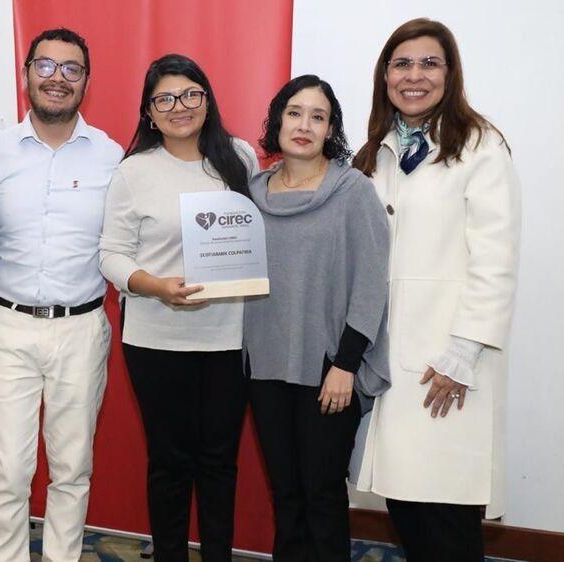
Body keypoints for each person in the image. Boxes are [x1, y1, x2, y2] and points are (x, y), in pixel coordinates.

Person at [353, 18, 522, 562]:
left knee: (445, 511)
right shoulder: (374, 151)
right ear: (385, 76)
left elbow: (496, 259)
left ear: (450, 74)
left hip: (445, 360)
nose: (414, 76)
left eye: (429, 63)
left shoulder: (481, 146)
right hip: (390, 359)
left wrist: (463, 353)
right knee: (406, 502)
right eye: (402, 64)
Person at [99, 53, 258, 562]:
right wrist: (153, 285)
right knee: (169, 463)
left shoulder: (240, 158)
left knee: (219, 462)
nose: (179, 106)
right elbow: (111, 254)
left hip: (228, 336)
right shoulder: (134, 172)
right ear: (149, 112)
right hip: (155, 338)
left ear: (207, 101)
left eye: (190, 94)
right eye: (164, 98)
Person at [0, 28, 123, 562]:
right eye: (45, 66)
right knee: (8, 469)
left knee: (71, 467)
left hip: (81, 329)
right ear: (25, 75)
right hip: (10, 326)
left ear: (85, 81)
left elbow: (125, 243)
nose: (57, 78)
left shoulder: (112, 157)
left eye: (71, 69)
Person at [244, 75, 390, 562]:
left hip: (329, 371)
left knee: (322, 497)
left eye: (318, 116)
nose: (304, 125)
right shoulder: (252, 194)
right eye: (294, 113)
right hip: (264, 370)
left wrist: (347, 365)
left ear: (331, 130)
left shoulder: (353, 191)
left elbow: (372, 284)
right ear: (277, 121)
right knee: (286, 496)